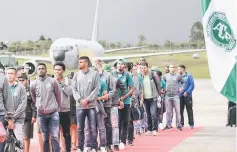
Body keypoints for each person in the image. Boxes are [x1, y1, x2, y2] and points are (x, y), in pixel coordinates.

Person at [30, 63, 62, 152]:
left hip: (53, 113)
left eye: (43, 68)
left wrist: (56, 107)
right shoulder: (33, 84)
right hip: (41, 114)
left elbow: (58, 96)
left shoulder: (53, 81)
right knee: (45, 138)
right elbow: (34, 98)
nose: (41, 70)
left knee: (54, 136)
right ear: (36, 70)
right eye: (39, 68)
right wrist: (39, 106)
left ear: (46, 70)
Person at [72, 56, 100, 152]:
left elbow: (96, 89)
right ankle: (80, 147)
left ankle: (94, 147)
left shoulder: (95, 74)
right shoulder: (76, 75)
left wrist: (88, 100)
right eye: (79, 62)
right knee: (80, 128)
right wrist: (80, 100)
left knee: (93, 127)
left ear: (86, 63)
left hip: (91, 106)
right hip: (80, 106)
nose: (79, 63)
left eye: (81, 62)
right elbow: (73, 89)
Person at [112, 59, 134, 150]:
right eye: (119, 64)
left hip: (125, 101)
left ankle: (123, 141)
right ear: (116, 65)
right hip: (114, 102)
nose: (120, 65)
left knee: (125, 121)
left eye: (122, 64)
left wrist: (123, 97)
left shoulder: (128, 75)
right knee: (116, 122)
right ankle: (115, 141)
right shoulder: (112, 75)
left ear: (124, 66)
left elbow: (132, 89)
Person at [104, 64, 127, 151]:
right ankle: (106, 143)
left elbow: (124, 89)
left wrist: (121, 99)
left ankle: (115, 143)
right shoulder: (100, 80)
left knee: (114, 125)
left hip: (113, 105)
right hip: (104, 105)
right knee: (105, 126)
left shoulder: (115, 80)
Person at [94, 60, 114, 152]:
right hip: (94, 104)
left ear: (101, 65)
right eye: (94, 66)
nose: (96, 67)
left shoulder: (108, 75)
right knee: (95, 125)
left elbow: (112, 90)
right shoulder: (91, 75)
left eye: (98, 65)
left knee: (107, 124)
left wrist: (103, 97)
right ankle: (97, 144)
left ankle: (108, 144)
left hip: (106, 104)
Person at [6, 67, 27, 148]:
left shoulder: (21, 87)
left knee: (19, 143)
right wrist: (7, 118)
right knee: (3, 142)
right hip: (4, 119)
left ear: (15, 76)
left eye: (11, 73)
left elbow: (23, 104)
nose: (9, 75)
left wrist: (13, 118)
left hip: (18, 119)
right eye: (8, 73)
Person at [54, 62, 72, 152]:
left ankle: (67, 149)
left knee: (66, 133)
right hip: (53, 111)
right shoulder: (51, 80)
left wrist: (61, 83)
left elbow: (70, 93)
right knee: (55, 133)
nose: (57, 71)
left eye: (59, 69)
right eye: (56, 69)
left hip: (65, 110)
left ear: (63, 70)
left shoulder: (67, 80)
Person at [140, 62, 161, 136]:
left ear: (147, 67)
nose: (143, 70)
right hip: (145, 98)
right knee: (148, 114)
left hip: (153, 97)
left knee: (153, 114)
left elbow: (158, 84)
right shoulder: (140, 76)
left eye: (144, 68)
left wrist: (159, 95)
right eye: (142, 68)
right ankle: (149, 129)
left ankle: (154, 129)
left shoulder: (152, 74)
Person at [163, 64, 185, 131]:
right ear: (169, 68)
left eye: (173, 67)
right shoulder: (165, 76)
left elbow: (184, 82)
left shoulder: (178, 75)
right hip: (168, 96)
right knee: (169, 112)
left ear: (174, 68)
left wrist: (181, 88)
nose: (172, 68)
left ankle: (179, 125)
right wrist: (163, 89)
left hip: (175, 96)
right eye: (171, 67)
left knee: (178, 112)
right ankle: (168, 125)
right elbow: (161, 83)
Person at [18, 73, 37, 152]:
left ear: (26, 80)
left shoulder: (30, 90)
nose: (21, 82)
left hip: (27, 116)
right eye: (19, 80)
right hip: (17, 116)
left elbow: (34, 103)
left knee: (26, 137)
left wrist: (34, 115)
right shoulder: (15, 89)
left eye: (23, 80)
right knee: (18, 137)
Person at [0, 71, 14, 151]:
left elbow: (8, 99)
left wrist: (10, 118)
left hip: (0, 117)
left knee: (1, 146)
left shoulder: (3, 78)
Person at [130, 64, 144, 140]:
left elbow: (141, 89)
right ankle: (130, 134)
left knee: (137, 115)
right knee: (129, 117)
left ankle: (138, 130)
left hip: (136, 100)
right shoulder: (128, 77)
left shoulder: (138, 78)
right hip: (128, 99)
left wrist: (141, 99)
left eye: (136, 69)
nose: (135, 71)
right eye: (134, 69)